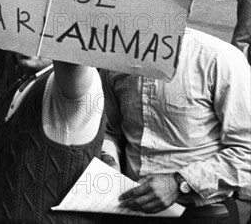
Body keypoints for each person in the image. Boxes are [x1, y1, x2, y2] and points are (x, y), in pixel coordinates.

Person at [100, 28, 251, 223]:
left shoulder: (219, 59)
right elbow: (110, 129)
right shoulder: (114, 62)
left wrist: (181, 182)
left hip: (202, 210)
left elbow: (247, 150)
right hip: (128, 205)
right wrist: (109, 159)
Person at [0, 55, 105, 224]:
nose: (34, 41)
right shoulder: (23, 81)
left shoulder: (71, 87)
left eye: (44, 32)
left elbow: (73, 56)